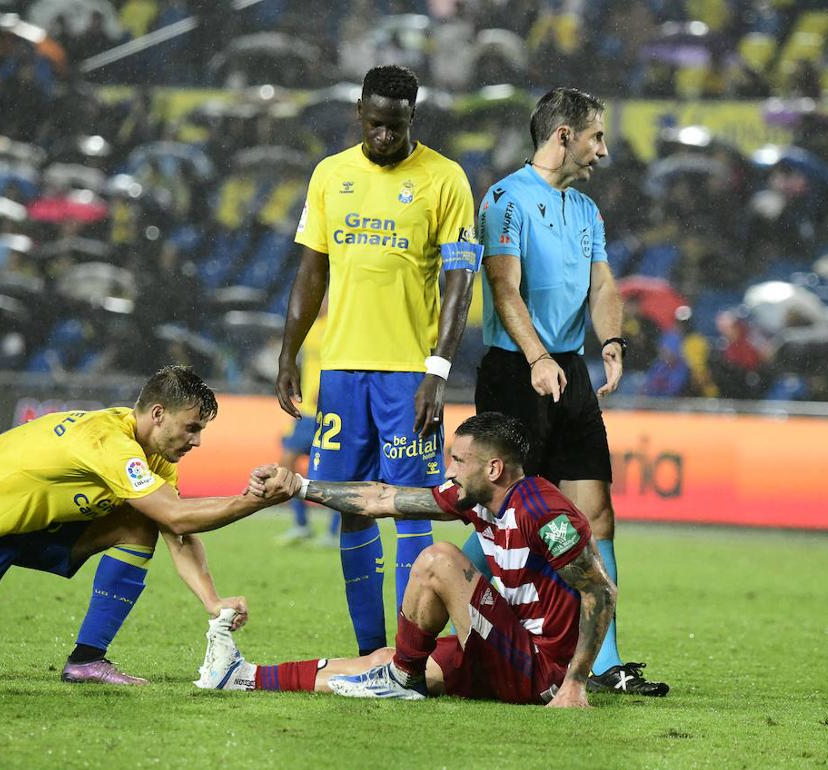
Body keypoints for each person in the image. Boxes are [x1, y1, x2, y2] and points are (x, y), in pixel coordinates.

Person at [0, 365, 292, 683]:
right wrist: (254, 501)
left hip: (36, 527)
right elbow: (175, 514)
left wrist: (213, 601)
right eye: (192, 428)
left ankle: (86, 660)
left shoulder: (154, 457)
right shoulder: (108, 440)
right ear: (158, 413)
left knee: (137, 522)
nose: (197, 441)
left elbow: (177, 530)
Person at [196, 412, 615, 708]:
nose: (449, 471)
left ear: (493, 468)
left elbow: (601, 590)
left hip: (542, 671)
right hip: (508, 649)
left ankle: (402, 680)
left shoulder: (545, 512)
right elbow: (383, 499)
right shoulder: (472, 498)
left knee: (438, 559)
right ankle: (243, 676)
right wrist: (300, 486)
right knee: (384, 660)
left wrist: (574, 684)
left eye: (458, 461)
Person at [275, 64, 481, 655]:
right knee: (350, 507)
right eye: (373, 125)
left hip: (408, 374)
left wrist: (437, 372)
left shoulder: (446, 180)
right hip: (340, 373)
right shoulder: (329, 174)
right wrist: (290, 353)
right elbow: (311, 270)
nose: (383, 137)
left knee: (412, 506)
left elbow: (459, 284)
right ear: (359, 115)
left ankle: (409, 655)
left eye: (394, 126)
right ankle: (372, 653)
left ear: (412, 117)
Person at [470, 87, 668, 695]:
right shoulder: (505, 200)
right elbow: (505, 289)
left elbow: (603, 284)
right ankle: (443, 589)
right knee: (505, 517)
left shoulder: (585, 210)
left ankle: (604, 664)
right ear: (563, 136)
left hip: (569, 372)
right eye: (596, 136)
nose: (602, 150)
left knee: (596, 513)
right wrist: (535, 358)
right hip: (515, 371)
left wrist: (610, 343)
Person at [276, 311, 340, 547]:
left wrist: (327, 385)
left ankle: (333, 531)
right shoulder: (312, 326)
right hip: (307, 411)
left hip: (330, 408)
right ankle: (301, 523)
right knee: (287, 461)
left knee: (332, 472)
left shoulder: (340, 325)